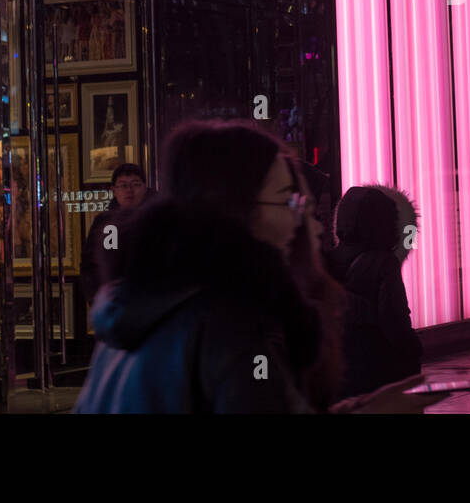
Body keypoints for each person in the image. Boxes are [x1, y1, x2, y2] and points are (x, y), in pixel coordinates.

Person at [74, 120, 445, 414]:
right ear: (238, 210)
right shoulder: (230, 320)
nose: (307, 223)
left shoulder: (139, 306)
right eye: (288, 201)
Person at [327, 185, 423, 398]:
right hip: (378, 368)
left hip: (340, 368)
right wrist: (414, 351)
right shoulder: (384, 263)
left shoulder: (326, 260)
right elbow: (395, 319)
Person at [81, 163, 153, 308]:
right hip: (115, 301)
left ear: (144, 188)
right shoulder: (105, 222)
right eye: (123, 185)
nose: (129, 190)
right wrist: (95, 298)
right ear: (113, 190)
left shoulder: (158, 218)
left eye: (135, 184)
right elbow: (90, 264)